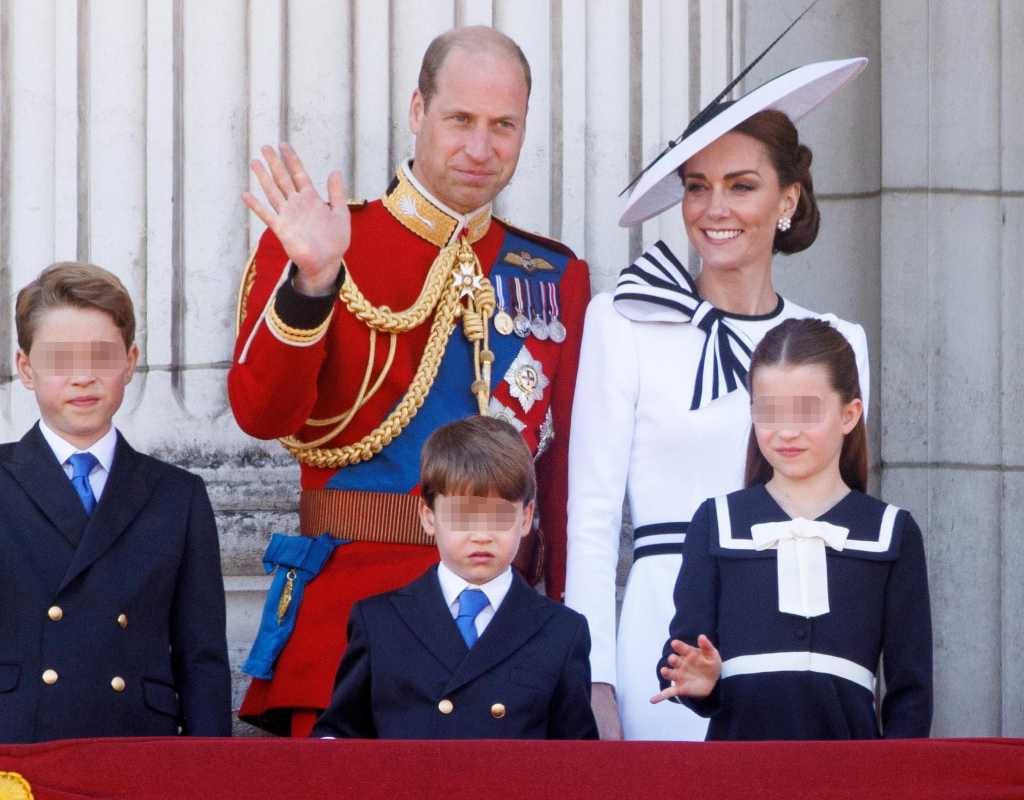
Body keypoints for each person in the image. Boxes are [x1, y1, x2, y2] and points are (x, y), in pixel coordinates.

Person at [231, 25, 590, 736]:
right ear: (418, 111)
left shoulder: (552, 274)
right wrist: (313, 280)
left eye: (503, 126)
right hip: (350, 627)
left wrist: (565, 629)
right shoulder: (329, 239)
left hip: (502, 637)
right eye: (460, 120)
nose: (481, 148)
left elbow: (563, 477)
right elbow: (261, 413)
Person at [563, 57, 872, 740]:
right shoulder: (623, 322)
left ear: (788, 199)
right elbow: (589, 520)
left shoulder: (838, 343)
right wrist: (595, 681)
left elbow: (847, 529)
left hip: (799, 638)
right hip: (663, 635)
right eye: (697, 187)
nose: (715, 209)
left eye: (742, 185)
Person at [0, 262, 231, 743]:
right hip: (9, 742)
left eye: (101, 356)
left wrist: (210, 772)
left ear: (130, 361)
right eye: (60, 360)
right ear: (26, 368)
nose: (82, 377)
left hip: (136, 744)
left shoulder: (177, 494)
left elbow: (201, 658)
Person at [652, 318, 932, 739]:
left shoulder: (893, 532)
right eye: (769, 411)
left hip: (851, 774)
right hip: (736, 771)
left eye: (806, 411)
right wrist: (698, 681)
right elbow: (683, 657)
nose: (786, 431)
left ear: (849, 414)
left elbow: (910, 693)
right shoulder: (716, 521)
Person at [313, 416, 597, 739]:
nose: (481, 535)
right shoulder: (379, 623)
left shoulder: (561, 631)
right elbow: (338, 741)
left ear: (526, 517)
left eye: (499, 516)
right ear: (428, 517)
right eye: (463, 516)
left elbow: (577, 764)